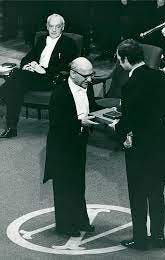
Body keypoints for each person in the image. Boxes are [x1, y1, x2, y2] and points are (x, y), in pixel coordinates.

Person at [113, 39, 165, 250]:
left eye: (120, 60)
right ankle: (158, 237)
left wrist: (117, 128)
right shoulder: (159, 75)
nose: (120, 64)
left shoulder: (130, 84)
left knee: (138, 194)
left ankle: (140, 240)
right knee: (156, 192)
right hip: (159, 141)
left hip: (140, 147)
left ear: (126, 59)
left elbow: (130, 118)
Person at [43, 57, 98, 237]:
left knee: (78, 183)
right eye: (86, 76)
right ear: (73, 74)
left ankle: (81, 220)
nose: (90, 80)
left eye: (91, 75)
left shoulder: (86, 87)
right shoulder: (60, 92)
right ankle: (64, 225)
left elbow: (93, 107)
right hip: (62, 145)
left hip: (79, 141)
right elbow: (57, 123)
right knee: (63, 185)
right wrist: (79, 122)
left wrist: (108, 114)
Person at [0, 13, 78, 138]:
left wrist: (44, 70)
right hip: (33, 76)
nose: (53, 29)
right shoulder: (42, 40)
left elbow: (67, 67)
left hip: (51, 79)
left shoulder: (69, 43)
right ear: (47, 26)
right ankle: (11, 127)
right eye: (51, 26)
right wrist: (28, 65)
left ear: (62, 27)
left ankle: (10, 123)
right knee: (16, 81)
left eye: (57, 26)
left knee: (15, 77)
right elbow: (28, 57)